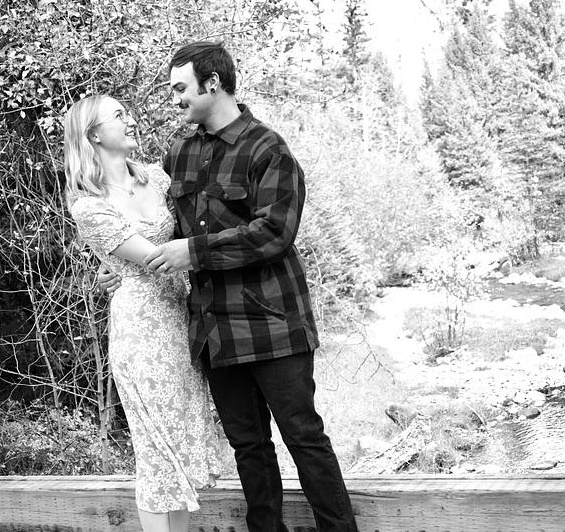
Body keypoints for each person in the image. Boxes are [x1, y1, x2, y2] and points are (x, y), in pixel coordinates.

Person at [100, 41, 359, 532]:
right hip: (214, 329)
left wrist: (194, 252)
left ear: (213, 83)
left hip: (273, 322)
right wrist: (122, 266)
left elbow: (275, 232)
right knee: (248, 446)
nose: (175, 98)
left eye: (181, 87)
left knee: (304, 437)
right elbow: (157, 223)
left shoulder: (267, 148)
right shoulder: (179, 152)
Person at [63, 95, 222, 532]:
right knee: (155, 453)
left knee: (177, 452)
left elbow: (194, 224)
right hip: (141, 331)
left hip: (183, 323)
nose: (130, 119)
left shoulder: (156, 177)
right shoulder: (89, 204)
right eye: (119, 116)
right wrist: (112, 268)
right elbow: (155, 259)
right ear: (94, 135)